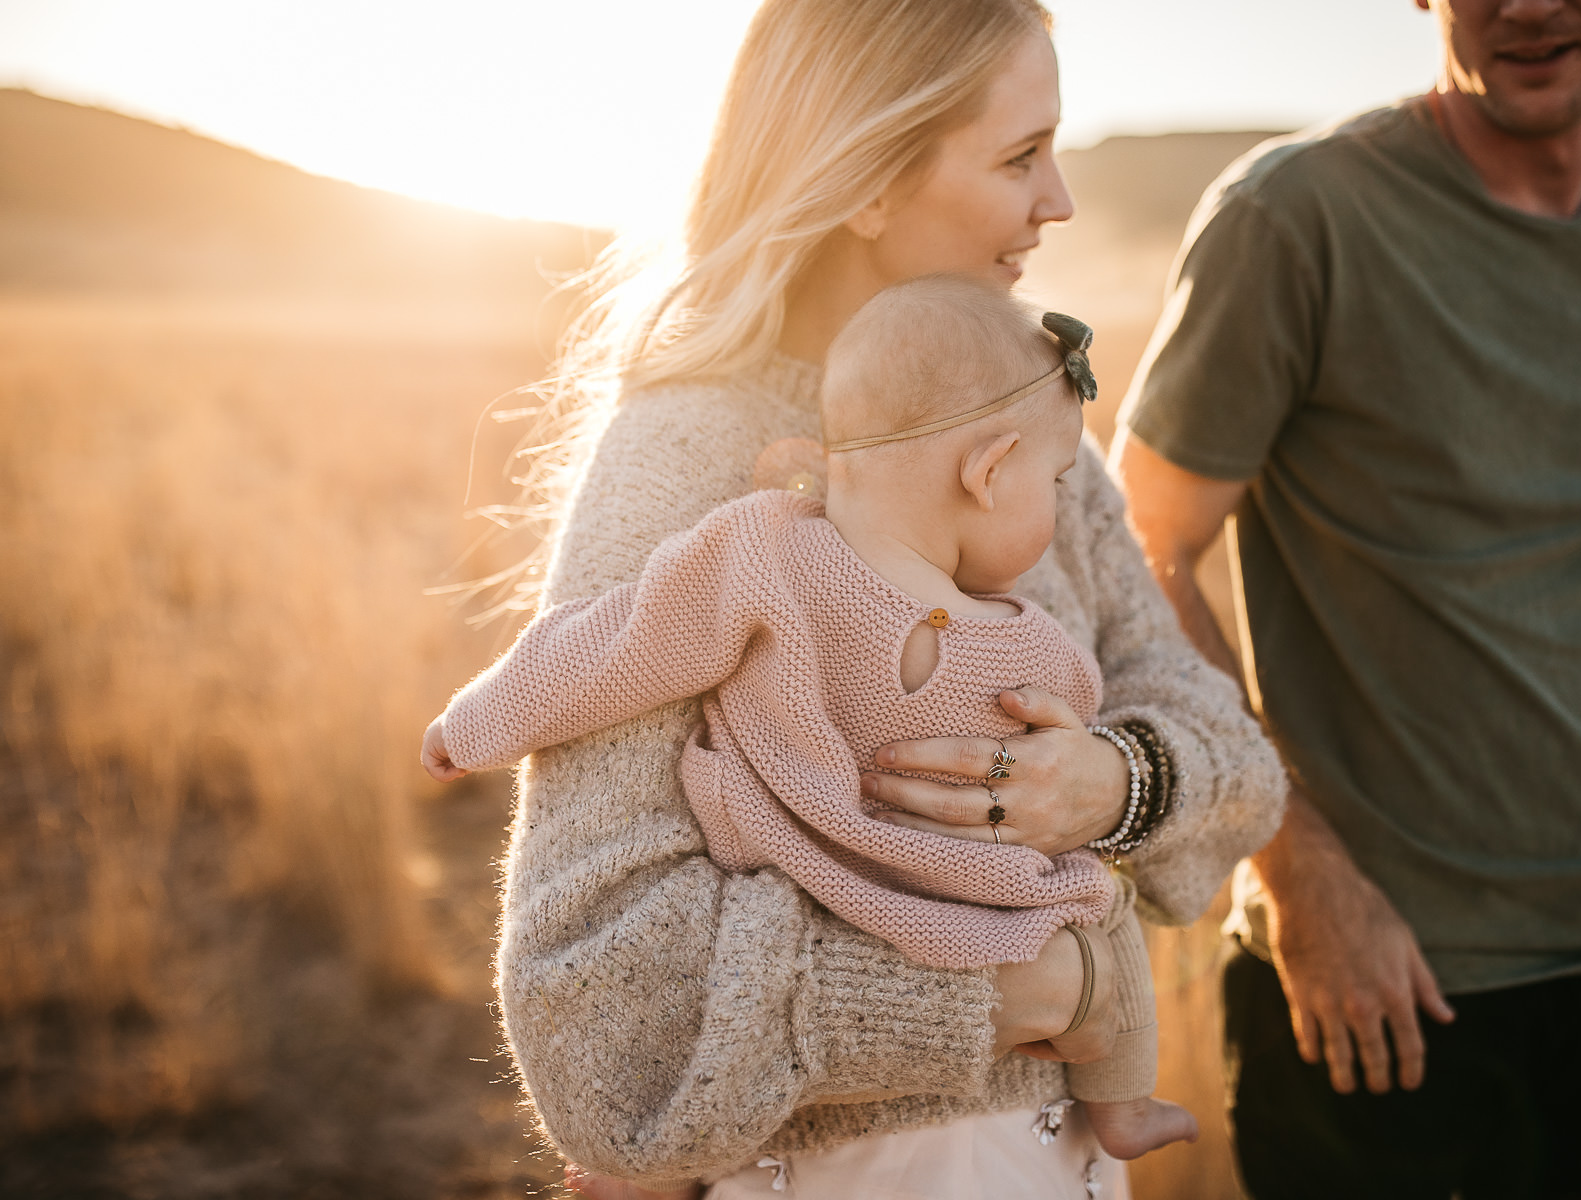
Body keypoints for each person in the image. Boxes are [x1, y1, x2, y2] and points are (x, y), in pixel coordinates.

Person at [475, 3, 1286, 1197]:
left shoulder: (1033, 432)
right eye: (1019, 156)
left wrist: (1111, 784)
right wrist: (1041, 985)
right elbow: (596, 1013)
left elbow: (1240, 770)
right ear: (864, 176)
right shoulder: (684, 458)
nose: (1057, 200)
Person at [1111, 0, 1581, 1196]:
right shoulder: (1294, 217)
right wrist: (1301, 874)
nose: (1528, 5)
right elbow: (1140, 550)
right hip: (1372, 991)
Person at [423, 276, 1205, 1164]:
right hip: (990, 929)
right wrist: (1102, 771)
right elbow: (1069, 785)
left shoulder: (764, 551)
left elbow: (611, 650)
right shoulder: (1041, 656)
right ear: (986, 475)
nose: (1061, 508)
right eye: (1054, 483)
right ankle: (1125, 1107)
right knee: (1104, 912)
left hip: (813, 891)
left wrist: (474, 723)